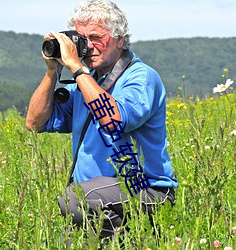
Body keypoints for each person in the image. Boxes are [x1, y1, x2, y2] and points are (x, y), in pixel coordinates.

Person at [26, 0, 178, 244]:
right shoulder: (85, 83)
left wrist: (76, 67)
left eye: (96, 37)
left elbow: (113, 121)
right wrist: (52, 70)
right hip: (97, 198)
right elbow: (35, 123)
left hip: (145, 189)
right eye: (82, 39)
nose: (88, 47)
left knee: (74, 200)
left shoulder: (140, 77)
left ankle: (133, 240)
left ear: (119, 39)